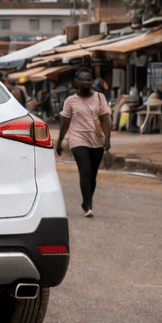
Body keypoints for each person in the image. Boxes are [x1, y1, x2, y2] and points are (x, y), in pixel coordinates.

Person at [56, 68, 111, 217]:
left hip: (97, 140)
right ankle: (88, 206)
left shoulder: (100, 97)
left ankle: (86, 200)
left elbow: (106, 119)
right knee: (85, 171)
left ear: (92, 82)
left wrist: (107, 138)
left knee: (92, 175)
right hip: (77, 139)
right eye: (83, 80)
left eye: (89, 80)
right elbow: (65, 123)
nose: (86, 83)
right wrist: (60, 141)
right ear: (76, 82)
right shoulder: (70, 101)